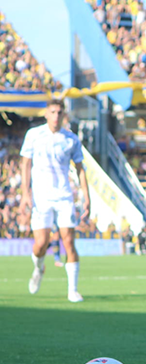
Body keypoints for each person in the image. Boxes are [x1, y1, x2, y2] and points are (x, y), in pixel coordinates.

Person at [19, 99, 90, 302]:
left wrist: (86, 197)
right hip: (41, 197)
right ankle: (39, 268)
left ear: (64, 115)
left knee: (68, 241)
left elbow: (80, 169)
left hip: (64, 196)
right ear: (46, 114)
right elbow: (25, 164)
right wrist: (25, 193)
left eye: (60, 112)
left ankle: (73, 290)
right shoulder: (34, 135)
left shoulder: (71, 139)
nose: (56, 116)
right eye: (53, 112)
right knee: (41, 244)